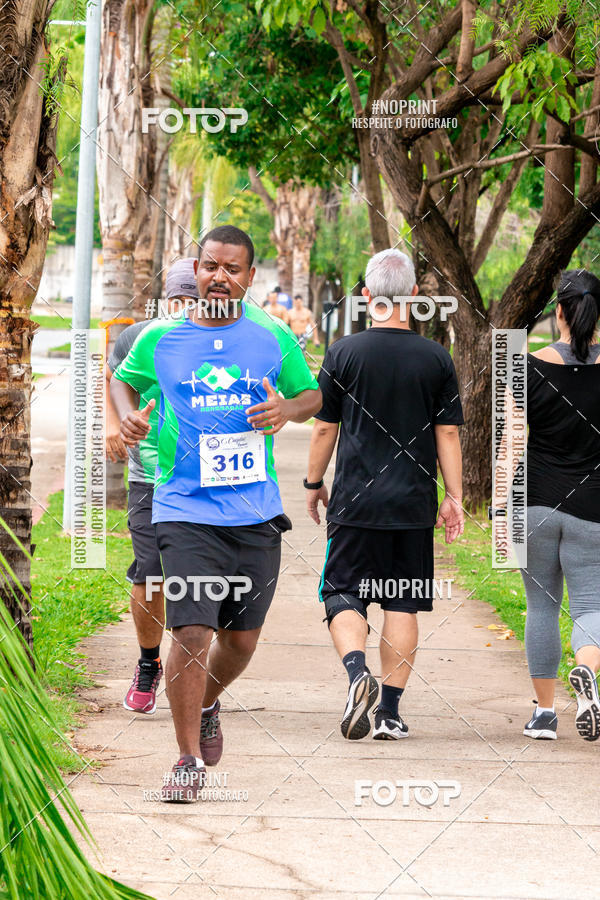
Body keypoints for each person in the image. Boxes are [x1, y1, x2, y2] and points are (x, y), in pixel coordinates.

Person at [110, 225, 322, 800]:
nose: (219, 276)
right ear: (195, 270)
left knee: (242, 641)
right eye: (210, 266)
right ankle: (185, 760)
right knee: (192, 631)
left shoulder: (273, 337)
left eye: (232, 268)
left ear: (251, 278)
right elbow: (122, 381)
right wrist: (125, 417)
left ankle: (206, 700)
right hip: (182, 507)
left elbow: (313, 397)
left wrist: (286, 408)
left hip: (254, 511)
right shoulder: (161, 337)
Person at [305, 248, 464, 741]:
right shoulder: (436, 357)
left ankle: (358, 677)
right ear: (415, 296)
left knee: (342, 593)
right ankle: (390, 714)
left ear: (366, 295)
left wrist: (314, 485)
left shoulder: (344, 354)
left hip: (355, 503)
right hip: (412, 507)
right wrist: (453, 496)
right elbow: (449, 435)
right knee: (402, 604)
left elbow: (324, 429)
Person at [105, 257, 199, 715]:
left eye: (193, 300)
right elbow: (116, 380)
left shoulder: (220, 339)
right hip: (151, 476)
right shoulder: (139, 337)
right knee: (150, 572)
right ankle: (148, 663)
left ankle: (198, 669)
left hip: (210, 481)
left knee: (204, 580)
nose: (184, 308)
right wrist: (115, 424)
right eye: (177, 299)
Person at [514, 270, 600, 742]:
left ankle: (544, 713)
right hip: (595, 507)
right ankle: (587, 669)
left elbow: (509, 443)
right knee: (591, 604)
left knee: (541, 606)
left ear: (560, 311)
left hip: (536, 504)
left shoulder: (525, 365)